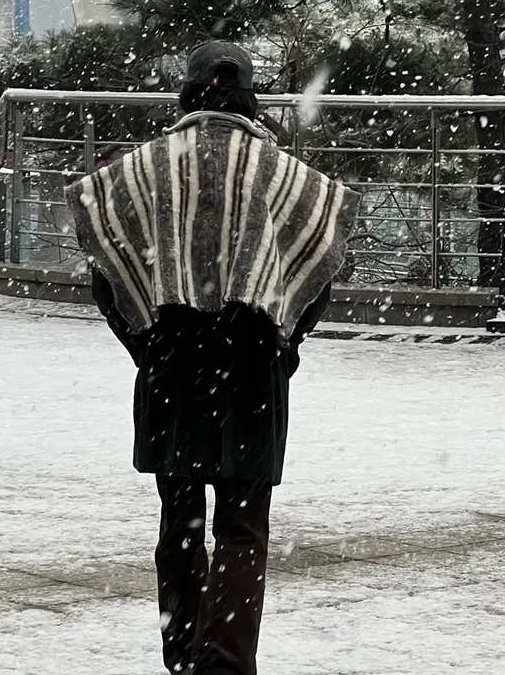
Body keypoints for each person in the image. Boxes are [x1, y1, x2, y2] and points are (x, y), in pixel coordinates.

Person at [67, 42, 359, 675]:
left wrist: (145, 339)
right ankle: (222, 663)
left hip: (170, 358)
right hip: (253, 361)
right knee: (243, 526)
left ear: (189, 91)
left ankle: (183, 654)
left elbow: (104, 267)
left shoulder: (146, 171)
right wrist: (285, 342)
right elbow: (320, 262)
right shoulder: (280, 175)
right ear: (249, 95)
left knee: (181, 521)